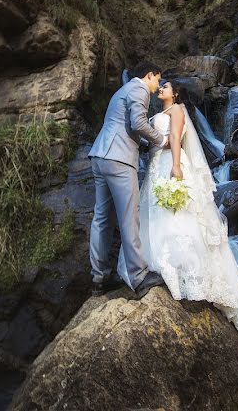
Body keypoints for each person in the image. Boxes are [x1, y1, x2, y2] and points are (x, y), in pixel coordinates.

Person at [118, 79, 238, 396]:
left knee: (178, 218)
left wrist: (174, 167)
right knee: (160, 218)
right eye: (161, 87)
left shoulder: (178, 110)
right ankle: (167, 270)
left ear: (176, 93)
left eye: (165, 87)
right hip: (156, 167)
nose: (161, 90)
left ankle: (186, 275)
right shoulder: (164, 111)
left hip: (170, 167)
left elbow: (176, 141)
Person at [88, 61, 168, 299]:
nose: (157, 85)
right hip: (119, 160)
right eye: (157, 79)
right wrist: (160, 140)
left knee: (102, 219)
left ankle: (99, 278)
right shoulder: (139, 89)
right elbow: (138, 123)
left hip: (100, 156)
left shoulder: (120, 92)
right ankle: (140, 276)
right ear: (149, 75)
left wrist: (142, 145)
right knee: (128, 216)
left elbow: (122, 126)